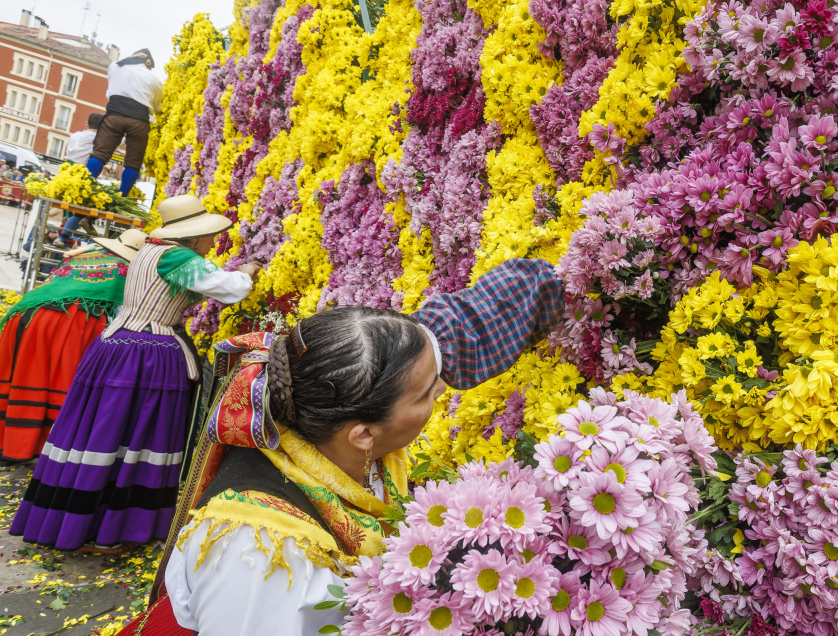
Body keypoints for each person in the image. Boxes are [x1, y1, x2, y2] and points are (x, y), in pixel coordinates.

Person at [112, 258, 563, 636]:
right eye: (428, 393)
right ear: (364, 433)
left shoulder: (341, 410)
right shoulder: (261, 550)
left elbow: (451, 338)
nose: (440, 393)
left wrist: (554, 281)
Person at [11, 194, 259, 553]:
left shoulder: (148, 250)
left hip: (114, 347)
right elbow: (231, 288)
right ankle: (110, 530)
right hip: (147, 355)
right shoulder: (177, 257)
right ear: (190, 237)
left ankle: (78, 524)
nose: (212, 241)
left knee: (102, 432)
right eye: (209, 235)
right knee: (139, 436)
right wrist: (247, 273)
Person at [0, 229, 147, 466]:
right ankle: (43, 449)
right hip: (67, 321)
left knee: (25, 378)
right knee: (61, 382)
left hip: (25, 316)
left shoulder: (82, 255)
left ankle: (12, 449)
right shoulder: (130, 270)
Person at [87, 49, 162, 196]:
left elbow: (111, 88)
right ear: (148, 64)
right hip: (139, 121)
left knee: (100, 153)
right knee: (133, 162)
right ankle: (122, 196)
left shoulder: (114, 66)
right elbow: (157, 106)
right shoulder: (154, 79)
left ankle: (85, 187)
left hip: (114, 116)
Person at [58, 113, 106, 244]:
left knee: (75, 210)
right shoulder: (98, 138)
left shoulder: (74, 135)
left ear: (86, 123)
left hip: (65, 173)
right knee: (101, 201)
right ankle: (65, 236)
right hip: (80, 175)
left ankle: (65, 236)